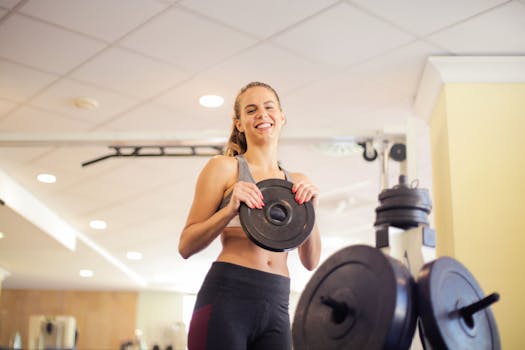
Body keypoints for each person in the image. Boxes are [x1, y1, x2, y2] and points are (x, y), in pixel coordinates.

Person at [178, 81, 322, 350]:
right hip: (228, 298)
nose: (262, 115)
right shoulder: (223, 168)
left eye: (269, 107)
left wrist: (310, 209)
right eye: (251, 110)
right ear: (239, 123)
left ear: (281, 117)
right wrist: (230, 209)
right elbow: (186, 245)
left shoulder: (297, 182)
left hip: (278, 301)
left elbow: (311, 261)